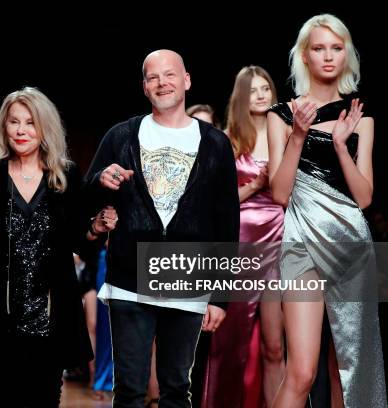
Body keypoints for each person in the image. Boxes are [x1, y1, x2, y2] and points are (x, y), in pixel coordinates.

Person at [85, 49, 239, 407]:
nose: (162, 82)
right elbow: (86, 194)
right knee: (129, 391)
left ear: (186, 81)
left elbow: (227, 223)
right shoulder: (120, 136)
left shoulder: (215, 143)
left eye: (169, 75)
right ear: (144, 87)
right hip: (129, 279)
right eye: (153, 77)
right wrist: (101, 184)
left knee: (175, 390)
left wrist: (221, 298)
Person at [0, 86, 116, 406]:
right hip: (2, 317)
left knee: (46, 399)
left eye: (30, 122)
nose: (21, 130)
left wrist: (96, 227)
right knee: (5, 399)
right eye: (14, 122)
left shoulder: (64, 174)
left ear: (44, 128)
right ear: (4, 127)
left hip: (51, 316)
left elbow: (79, 239)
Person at [268, 14, 386, 407]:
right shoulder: (281, 116)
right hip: (300, 245)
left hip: (351, 244)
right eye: (319, 48)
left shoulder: (360, 117)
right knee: (302, 371)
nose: (328, 56)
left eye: (337, 48)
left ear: (347, 54)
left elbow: (365, 198)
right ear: (304, 56)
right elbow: (280, 194)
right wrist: (299, 135)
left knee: (348, 370)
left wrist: (340, 145)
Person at [202, 66, 285, 408]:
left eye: (266, 88)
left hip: (283, 235)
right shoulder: (227, 138)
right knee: (231, 339)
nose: (262, 95)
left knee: (275, 345)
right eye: (253, 90)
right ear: (241, 98)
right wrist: (256, 185)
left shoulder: (288, 133)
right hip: (242, 238)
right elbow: (215, 204)